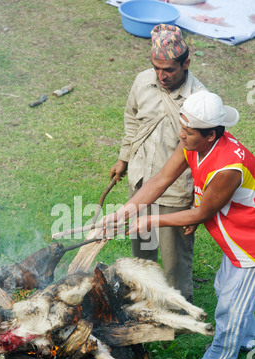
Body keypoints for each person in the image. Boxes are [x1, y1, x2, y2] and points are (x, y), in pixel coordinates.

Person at [104, 90, 255, 359]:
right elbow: (161, 179)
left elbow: (202, 212)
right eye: (182, 127)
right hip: (232, 237)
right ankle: (249, 338)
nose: (181, 134)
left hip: (249, 244)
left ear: (210, 135)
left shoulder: (229, 167)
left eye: (188, 131)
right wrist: (124, 212)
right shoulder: (193, 143)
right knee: (225, 288)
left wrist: (151, 222)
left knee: (231, 307)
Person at [110, 24, 205, 302]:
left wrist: (198, 205)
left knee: (174, 258)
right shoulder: (142, 81)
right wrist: (124, 156)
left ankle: (178, 311)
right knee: (141, 248)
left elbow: (204, 156)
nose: (162, 76)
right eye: (157, 68)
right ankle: (143, 297)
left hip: (176, 191)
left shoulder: (199, 100)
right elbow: (132, 118)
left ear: (186, 63)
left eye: (169, 70)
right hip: (140, 179)